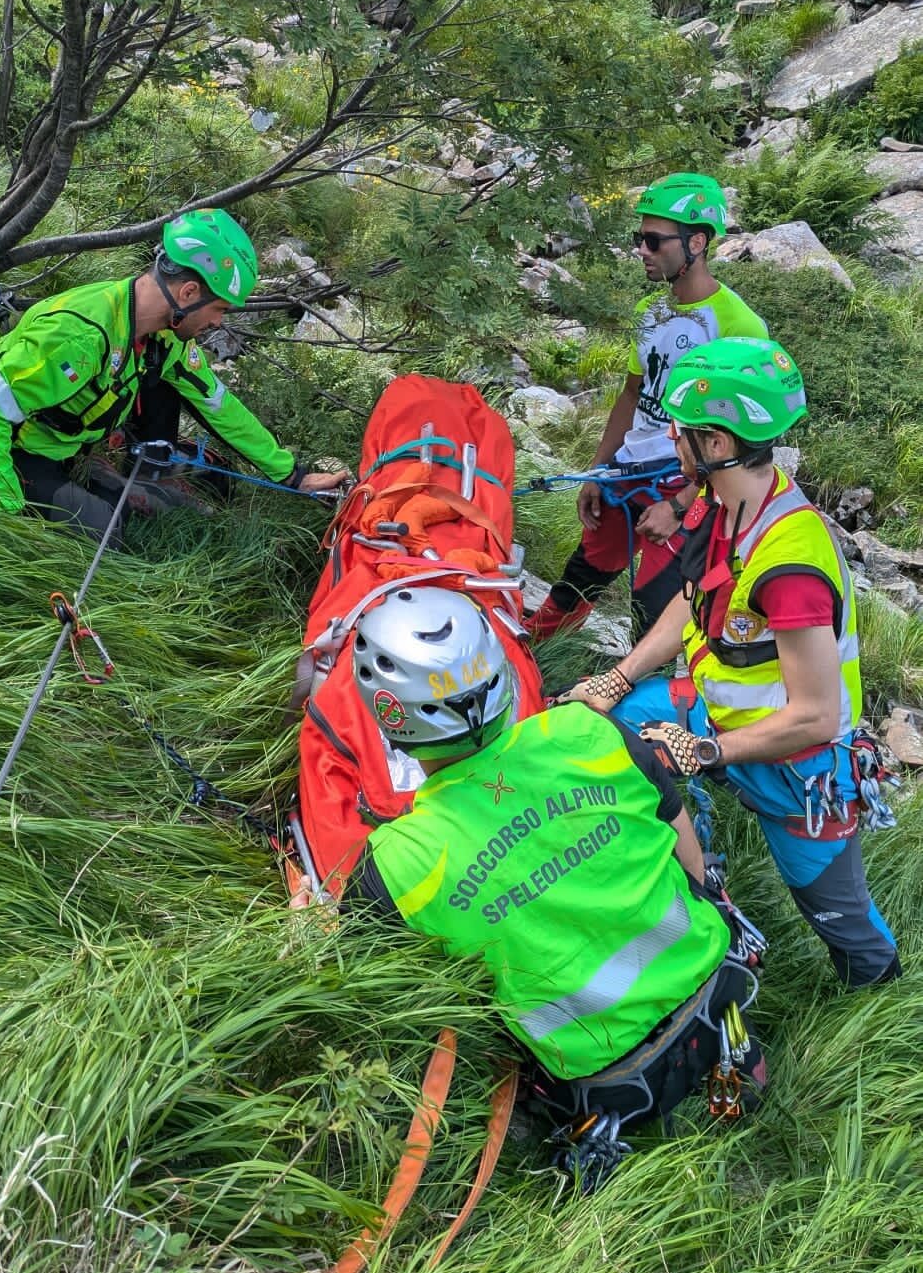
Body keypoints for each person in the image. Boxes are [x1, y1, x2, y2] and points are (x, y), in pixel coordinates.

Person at [343, 583, 764, 1155]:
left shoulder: (395, 864)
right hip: (717, 984)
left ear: (388, 716)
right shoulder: (588, 732)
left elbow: (380, 994)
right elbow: (686, 852)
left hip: (604, 1081)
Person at [564, 336, 900, 990]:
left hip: (797, 773)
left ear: (717, 443)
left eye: (680, 432)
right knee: (618, 727)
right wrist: (617, 679)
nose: (670, 440)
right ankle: (696, 880)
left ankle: (880, 1006)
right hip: (718, 717)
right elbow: (691, 607)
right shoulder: (729, 504)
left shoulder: (789, 565)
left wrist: (701, 755)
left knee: (841, 921)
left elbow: (814, 715)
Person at [0, 208, 347, 540]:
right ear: (189, 293)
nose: (218, 323)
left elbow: (217, 404)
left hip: (74, 441)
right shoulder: (80, 336)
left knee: (186, 483)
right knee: (105, 531)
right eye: (220, 310)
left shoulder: (164, 335)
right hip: (19, 449)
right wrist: (5, 517)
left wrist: (292, 476)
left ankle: (132, 473)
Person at [530, 174, 768, 641]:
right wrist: (597, 472)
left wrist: (681, 506)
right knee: (580, 577)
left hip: (685, 481)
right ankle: (530, 658)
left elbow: (742, 444)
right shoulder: (651, 312)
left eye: (654, 240)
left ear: (696, 242)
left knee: (655, 612)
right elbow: (633, 394)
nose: (642, 249)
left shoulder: (740, 327)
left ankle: (642, 705)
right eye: (640, 239)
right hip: (628, 472)